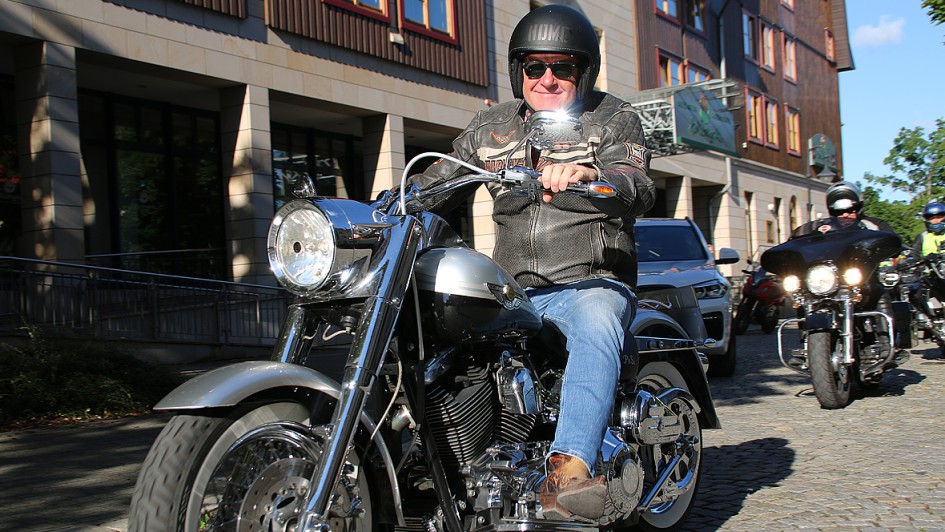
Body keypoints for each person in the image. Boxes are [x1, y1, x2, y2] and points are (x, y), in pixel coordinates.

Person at [408, 5, 655, 521]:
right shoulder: (491, 125)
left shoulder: (613, 117)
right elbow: (440, 179)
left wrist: (592, 176)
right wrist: (395, 201)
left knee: (597, 317)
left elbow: (636, 184)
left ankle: (569, 474)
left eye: (562, 67)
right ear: (517, 69)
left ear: (583, 71)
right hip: (512, 289)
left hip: (588, 281)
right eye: (534, 67)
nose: (546, 78)